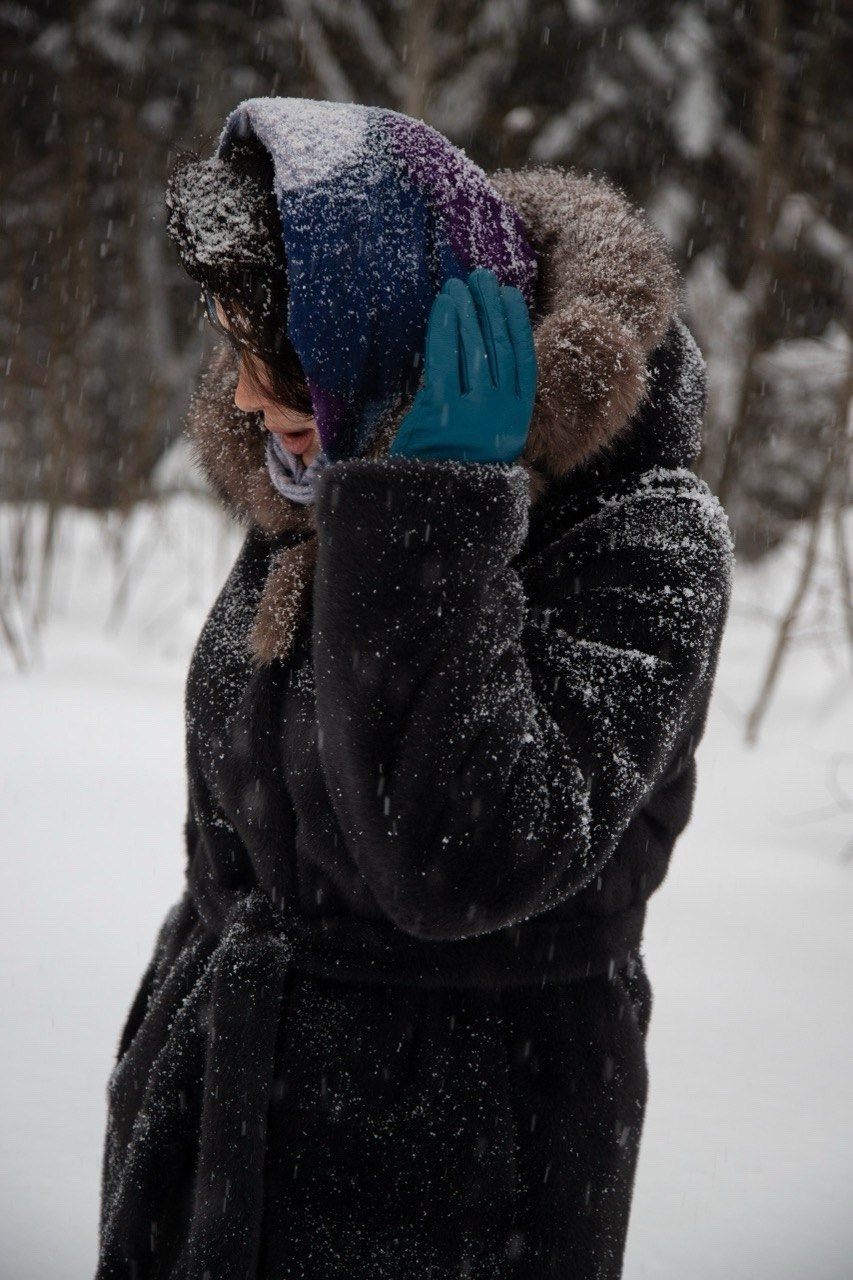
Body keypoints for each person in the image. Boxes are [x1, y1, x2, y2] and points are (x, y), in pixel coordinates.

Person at [94, 97, 733, 1280]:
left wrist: (433, 517)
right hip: (205, 1142)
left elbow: (461, 855)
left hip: (456, 1182)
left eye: (276, 366)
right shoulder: (323, 482)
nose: (244, 402)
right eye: (236, 352)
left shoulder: (643, 540)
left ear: (387, 337)